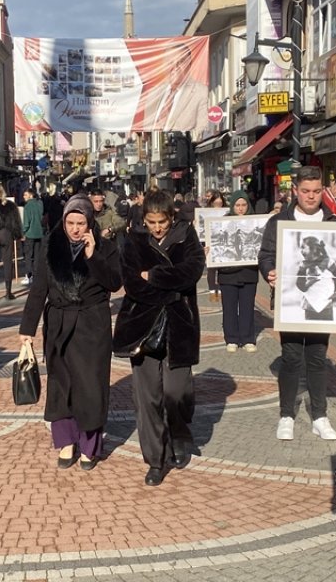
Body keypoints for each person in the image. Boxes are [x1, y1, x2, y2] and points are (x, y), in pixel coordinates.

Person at [19, 195, 122, 471]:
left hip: (92, 324)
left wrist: (93, 256)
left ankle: (89, 446)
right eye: (70, 222)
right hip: (59, 324)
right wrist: (27, 330)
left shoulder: (106, 247)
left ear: (90, 222)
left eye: (81, 223)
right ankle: (66, 441)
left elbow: (114, 283)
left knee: (91, 385)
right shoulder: (51, 247)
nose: (75, 229)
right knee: (61, 385)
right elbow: (39, 288)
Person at [115, 191, 204, 486]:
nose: (156, 227)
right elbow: (131, 283)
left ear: (171, 217)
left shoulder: (185, 234)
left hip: (180, 324)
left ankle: (179, 433)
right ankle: (156, 460)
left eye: (161, 222)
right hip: (143, 327)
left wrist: (153, 276)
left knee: (177, 393)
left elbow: (192, 272)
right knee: (147, 399)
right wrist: (172, 283)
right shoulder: (134, 240)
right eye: (151, 222)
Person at [259, 166, 336, 442]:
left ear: (324, 191)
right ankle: (287, 414)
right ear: (295, 190)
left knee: (318, 358)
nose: (311, 197)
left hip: (324, 306)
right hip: (291, 304)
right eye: (305, 191)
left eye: (316, 191)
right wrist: (269, 271)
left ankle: (320, 415)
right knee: (292, 357)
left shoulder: (334, 223)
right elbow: (266, 254)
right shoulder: (279, 222)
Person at [218, 191, 260, 352]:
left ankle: (248, 338)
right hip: (227, 273)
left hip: (249, 272)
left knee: (247, 307)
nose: (241, 208)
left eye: (244, 205)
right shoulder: (223, 223)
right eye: (238, 205)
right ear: (232, 206)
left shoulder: (255, 222)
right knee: (229, 307)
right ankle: (231, 338)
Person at [204, 192, 226, 302]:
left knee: (222, 267)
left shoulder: (226, 212)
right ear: (211, 203)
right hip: (210, 242)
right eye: (216, 203)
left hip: (223, 242)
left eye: (220, 203)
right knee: (211, 268)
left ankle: (221, 291)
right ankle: (212, 292)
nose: (218, 205)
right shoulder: (206, 213)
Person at [21, 188, 44, 286]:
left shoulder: (28, 206)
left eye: (25, 195)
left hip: (30, 233)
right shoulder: (40, 204)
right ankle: (36, 275)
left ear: (30, 195)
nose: (24, 197)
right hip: (39, 232)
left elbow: (27, 222)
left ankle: (28, 275)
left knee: (28, 255)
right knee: (37, 256)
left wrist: (23, 232)